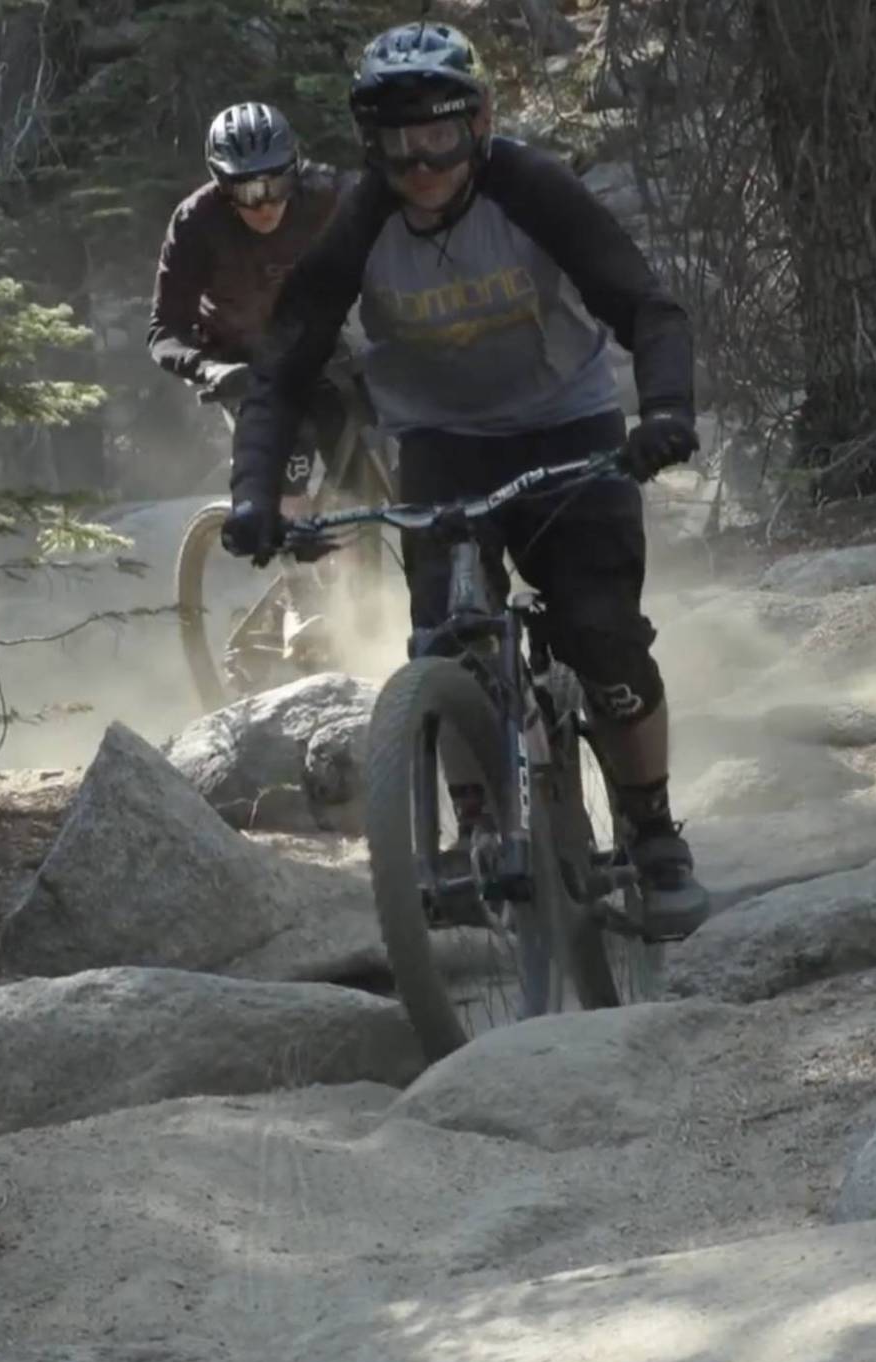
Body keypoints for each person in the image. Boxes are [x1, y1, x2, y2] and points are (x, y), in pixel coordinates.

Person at [223, 20, 710, 937]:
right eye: (396, 145)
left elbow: (644, 303)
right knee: (444, 640)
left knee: (601, 634)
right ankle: (477, 829)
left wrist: (667, 411)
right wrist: (254, 493)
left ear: (479, 122)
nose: (419, 166)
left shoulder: (531, 189)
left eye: (438, 137)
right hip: (442, 440)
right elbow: (285, 366)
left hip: (569, 429)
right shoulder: (359, 222)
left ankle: (651, 830)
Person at [147, 101, 353, 516]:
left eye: (277, 185)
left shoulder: (325, 191)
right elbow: (163, 331)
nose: (265, 205)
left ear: (296, 170)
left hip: (318, 346)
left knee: (363, 470)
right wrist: (209, 370)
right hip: (243, 366)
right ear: (222, 187)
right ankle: (299, 564)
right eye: (247, 191)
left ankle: (357, 571)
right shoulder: (195, 223)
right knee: (288, 487)